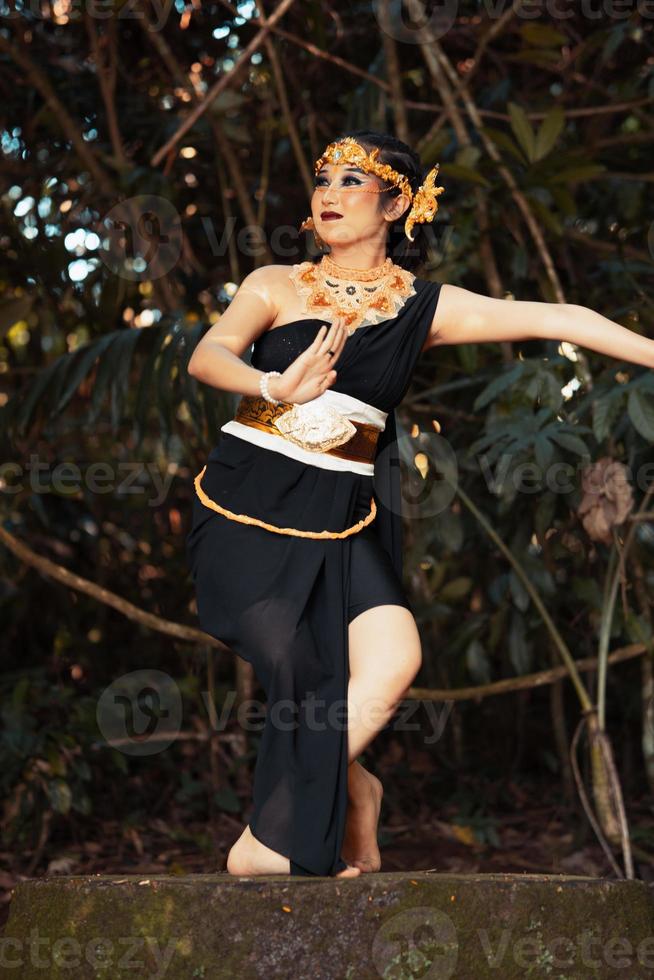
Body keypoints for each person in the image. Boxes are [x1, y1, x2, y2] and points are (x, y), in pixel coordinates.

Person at [185, 130, 654, 880]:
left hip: (343, 508)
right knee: (296, 671)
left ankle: (300, 817)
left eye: (351, 181)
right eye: (322, 180)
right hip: (249, 497)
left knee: (396, 657)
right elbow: (208, 355)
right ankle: (287, 831)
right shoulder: (276, 281)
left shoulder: (426, 307)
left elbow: (561, 317)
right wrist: (274, 387)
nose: (329, 194)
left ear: (398, 203)